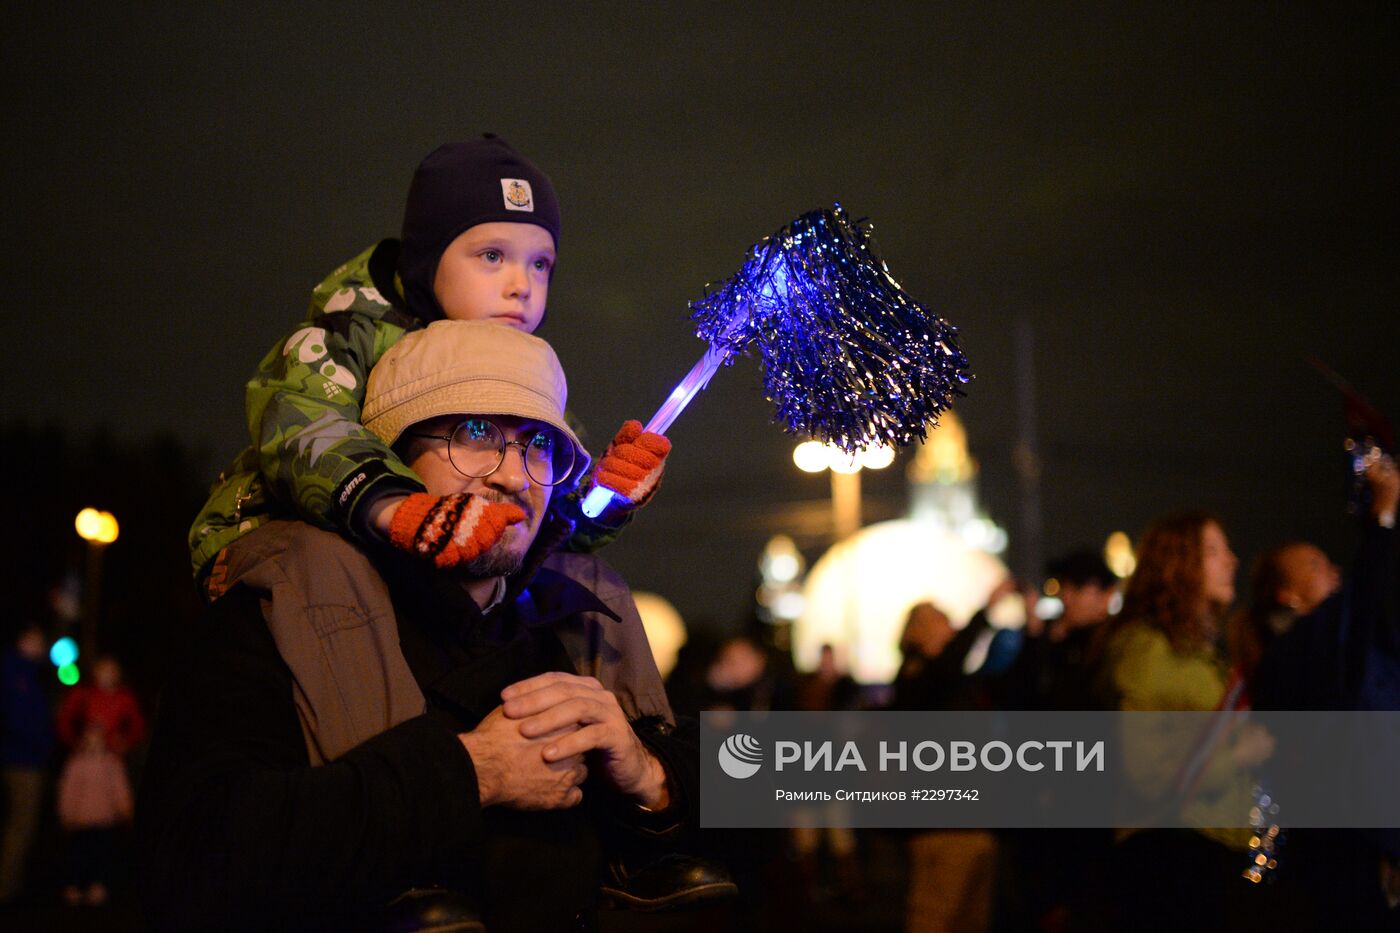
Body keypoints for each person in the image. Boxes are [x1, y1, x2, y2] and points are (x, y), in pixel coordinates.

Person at [139, 321, 706, 932]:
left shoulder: (582, 619)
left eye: (536, 443)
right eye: (475, 433)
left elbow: (804, 780)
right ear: (391, 458)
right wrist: (468, 774)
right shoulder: (275, 614)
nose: (512, 477)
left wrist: (653, 774)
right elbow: (187, 862)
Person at [189, 135, 670, 598]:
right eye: (492, 255)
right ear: (427, 258)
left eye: (540, 264)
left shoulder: (516, 370)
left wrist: (602, 499)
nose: (521, 284)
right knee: (333, 570)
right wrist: (392, 506)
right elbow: (302, 425)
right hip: (276, 546)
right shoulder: (344, 336)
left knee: (582, 591)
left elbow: (535, 519)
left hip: (412, 569)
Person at [1099, 512, 1284, 932]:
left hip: (1215, 851)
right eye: (1214, 551)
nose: (1232, 561)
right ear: (1178, 564)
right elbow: (1146, 773)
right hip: (1172, 859)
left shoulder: (1204, 655)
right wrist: (1239, 754)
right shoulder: (1146, 649)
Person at [0, 623, 55, 903]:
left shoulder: (33, 673)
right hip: (20, 759)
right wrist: (39, 744)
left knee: (21, 823)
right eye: (34, 640)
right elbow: (17, 718)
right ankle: (6, 887)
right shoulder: (15, 673)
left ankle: (13, 881)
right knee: (20, 824)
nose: (40, 646)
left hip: (25, 756)